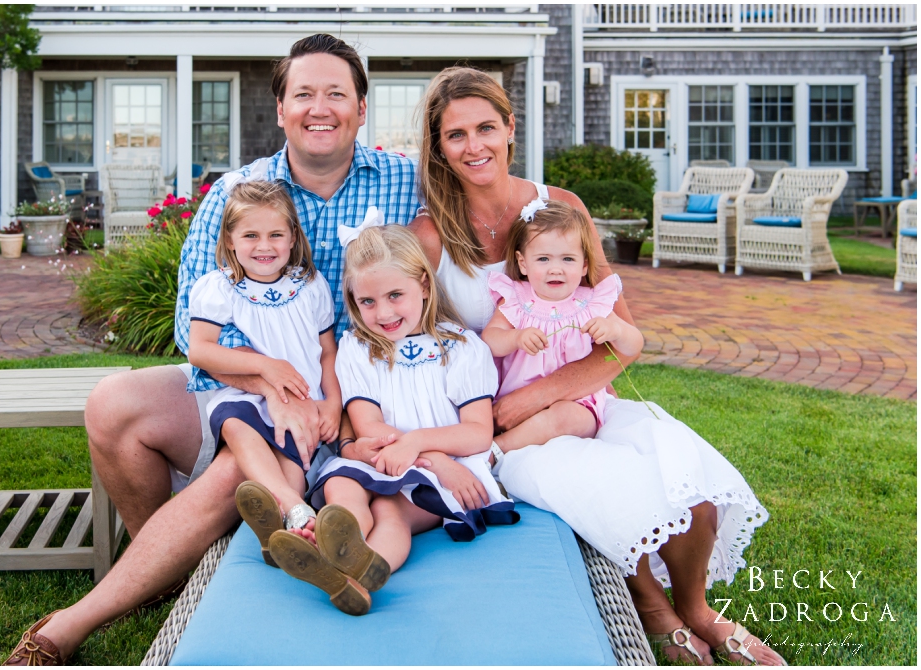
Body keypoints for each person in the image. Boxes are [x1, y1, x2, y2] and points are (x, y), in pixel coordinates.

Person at [5, 34, 418, 665]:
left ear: (362, 108)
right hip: (249, 384)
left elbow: (490, 197)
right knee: (114, 403)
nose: (320, 107)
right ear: (279, 108)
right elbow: (190, 328)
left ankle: (72, 623)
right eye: (303, 93)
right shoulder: (237, 194)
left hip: (356, 398)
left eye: (337, 93)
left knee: (238, 465)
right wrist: (271, 388)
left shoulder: (406, 183)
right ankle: (168, 564)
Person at [408, 66, 786, 666]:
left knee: (685, 478)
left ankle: (698, 609)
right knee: (612, 490)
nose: (474, 146)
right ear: (439, 147)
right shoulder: (430, 236)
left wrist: (540, 401)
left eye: (486, 127)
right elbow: (419, 347)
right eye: (456, 135)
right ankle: (656, 611)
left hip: (577, 399)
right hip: (497, 420)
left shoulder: (561, 208)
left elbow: (617, 337)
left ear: (511, 127)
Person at [266, 222, 518, 616]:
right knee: (342, 485)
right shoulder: (358, 349)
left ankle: (356, 581)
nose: (382, 313)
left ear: (423, 283)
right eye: (367, 301)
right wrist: (403, 450)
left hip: (444, 470)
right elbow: (368, 426)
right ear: (352, 298)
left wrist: (423, 451)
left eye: (395, 295)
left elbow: (477, 432)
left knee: (390, 511)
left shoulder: (461, 347)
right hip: (380, 457)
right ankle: (331, 543)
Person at [187, 180, 339, 564]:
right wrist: (265, 366)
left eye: (275, 234)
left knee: (295, 459)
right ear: (230, 239)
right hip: (247, 395)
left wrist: (334, 403)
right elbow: (200, 350)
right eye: (251, 235)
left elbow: (326, 352)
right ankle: (295, 508)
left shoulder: (310, 285)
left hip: (303, 401)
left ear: (292, 238)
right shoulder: (219, 287)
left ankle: (283, 538)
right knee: (237, 425)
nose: (264, 246)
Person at [480, 198, 643, 455]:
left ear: (584, 265)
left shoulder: (590, 303)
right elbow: (490, 339)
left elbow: (635, 344)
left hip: (575, 403)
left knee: (568, 417)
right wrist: (516, 337)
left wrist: (616, 331)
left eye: (568, 259)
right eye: (543, 259)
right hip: (518, 402)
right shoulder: (517, 299)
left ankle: (497, 451)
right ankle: (514, 440)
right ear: (523, 263)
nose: (555, 269)